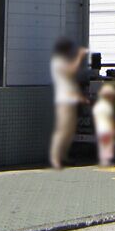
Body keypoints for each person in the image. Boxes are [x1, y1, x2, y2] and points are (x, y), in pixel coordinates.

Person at [49, 36, 87, 169]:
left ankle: (63, 156)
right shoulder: (58, 61)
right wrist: (80, 56)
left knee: (70, 131)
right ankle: (56, 158)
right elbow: (72, 71)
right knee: (62, 130)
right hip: (64, 101)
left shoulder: (61, 60)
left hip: (70, 99)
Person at [93, 82, 115, 167]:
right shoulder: (107, 106)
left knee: (102, 145)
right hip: (107, 128)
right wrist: (114, 128)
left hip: (100, 128)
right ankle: (107, 161)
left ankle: (103, 161)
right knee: (108, 146)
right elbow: (110, 118)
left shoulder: (97, 106)